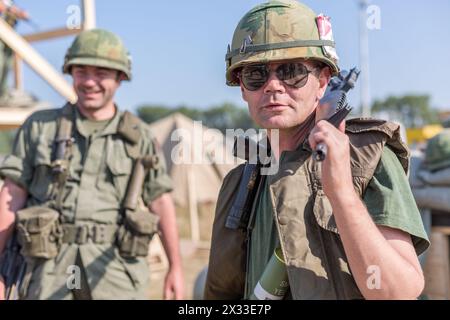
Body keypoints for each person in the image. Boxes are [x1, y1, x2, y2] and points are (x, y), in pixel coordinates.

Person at [205, 0, 429, 300]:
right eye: (255, 75)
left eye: (292, 71)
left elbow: (397, 292)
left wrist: (341, 192)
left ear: (323, 80)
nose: (272, 86)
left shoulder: (366, 157)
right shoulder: (242, 182)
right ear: (241, 87)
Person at [0, 29, 184, 300]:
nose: (89, 82)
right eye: (81, 71)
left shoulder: (139, 136)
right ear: (70, 72)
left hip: (113, 271)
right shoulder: (39, 128)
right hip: (47, 271)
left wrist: (176, 268)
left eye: (101, 73)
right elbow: (10, 198)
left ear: (120, 78)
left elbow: (160, 201)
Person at [0, 0, 29, 97]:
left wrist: (19, 12)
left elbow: (23, 14)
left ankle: (3, 94)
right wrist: (11, 10)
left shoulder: (10, 2)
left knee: (7, 64)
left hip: (8, 37)